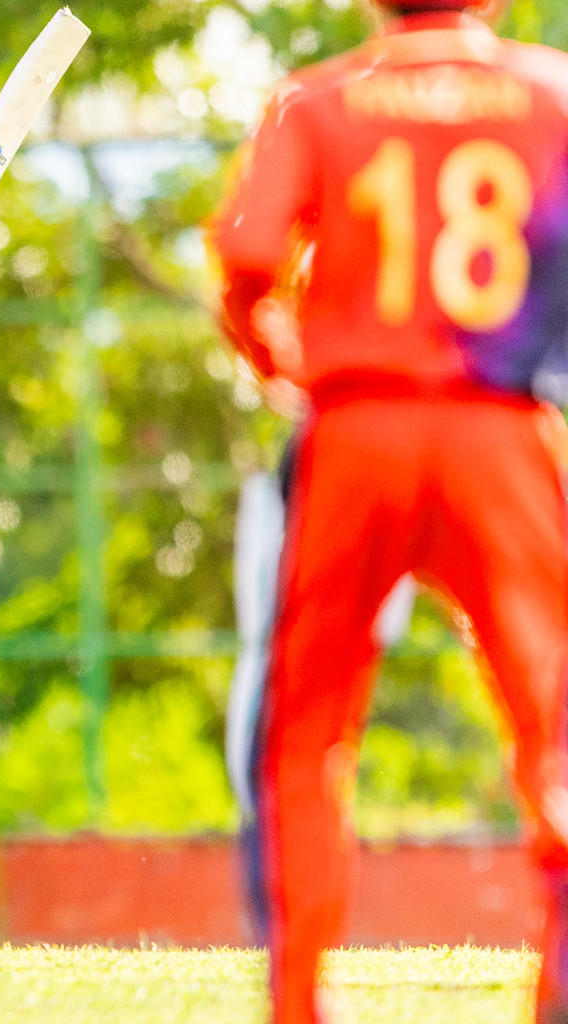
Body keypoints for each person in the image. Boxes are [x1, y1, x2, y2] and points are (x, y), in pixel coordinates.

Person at [212, 1, 568, 1021]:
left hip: (355, 429)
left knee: (308, 726)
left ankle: (297, 1000)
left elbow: (246, 261)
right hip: (503, 431)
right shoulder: (553, 92)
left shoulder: (318, 99)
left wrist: (279, 358)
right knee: (552, 718)